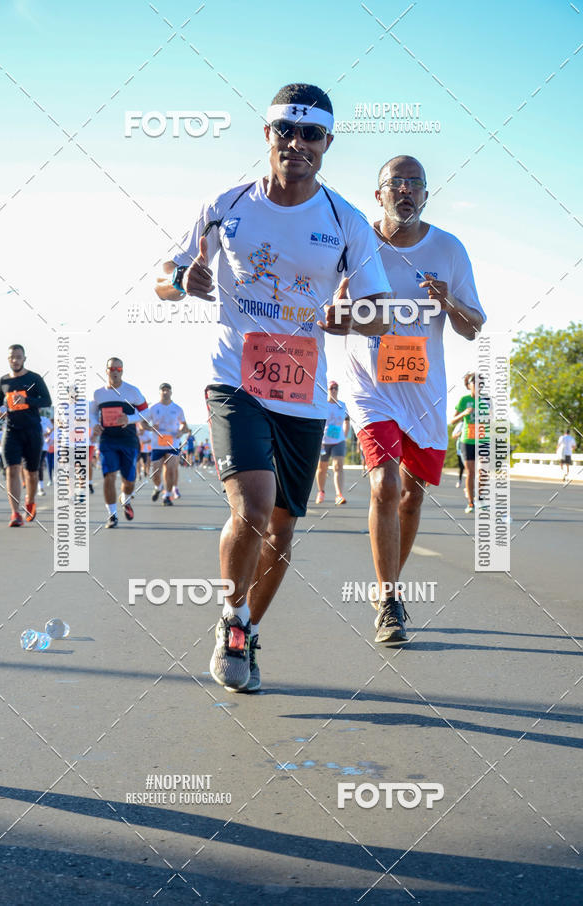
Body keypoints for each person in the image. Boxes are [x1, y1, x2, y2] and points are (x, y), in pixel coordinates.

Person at [156, 82, 390, 692]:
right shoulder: (226, 203)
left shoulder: (345, 220)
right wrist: (182, 279)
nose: (297, 143)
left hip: (302, 391)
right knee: (253, 509)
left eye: (311, 133)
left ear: (327, 143)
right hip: (235, 376)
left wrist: (350, 315)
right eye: (286, 130)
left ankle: (248, 630)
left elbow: (380, 313)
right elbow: (163, 274)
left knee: (282, 528)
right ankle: (231, 619)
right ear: (267, 135)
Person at [345, 155, 485, 644]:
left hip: (423, 392)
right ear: (378, 194)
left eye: (415, 184)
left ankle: (388, 584)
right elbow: (327, 313)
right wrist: (340, 307)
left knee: (411, 495)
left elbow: (473, 326)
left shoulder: (448, 249)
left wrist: (449, 302)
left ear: (425, 194)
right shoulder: (356, 243)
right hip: (371, 388)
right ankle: (389, 601)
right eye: (396, 183)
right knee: (384, 484)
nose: (405, 190)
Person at [0, 344, 52, 526]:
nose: (15, 360)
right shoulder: (4, 381)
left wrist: (27, 400)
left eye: (18, 357)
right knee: (11, 470)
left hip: (32, 431)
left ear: (24, 358)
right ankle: (15, 513)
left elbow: (47, 400)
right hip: (11, 431)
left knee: (32, 473)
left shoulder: (34, 378)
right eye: (12, 357)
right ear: (8, 359)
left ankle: (30, 500)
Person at [90, 357, 148, 528]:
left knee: (129, 481)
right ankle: (112, 515)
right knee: (109, 476)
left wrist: (129, 419)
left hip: (128, 440)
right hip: (108, 440)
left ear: (122, 371)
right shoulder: (98, 393)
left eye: (118, 369)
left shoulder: (132, 391)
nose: (115, 371)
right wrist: (95, 425)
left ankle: (125, 498)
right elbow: (92, 413)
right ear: (106, 371)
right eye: (112, 368)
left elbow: (146, 412)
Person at [451, 372, 488, 512]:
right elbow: (453, 421)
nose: (479, 385)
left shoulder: (487, 400)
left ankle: (480, 498)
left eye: (481, 382)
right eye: (475, 382)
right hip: (467, 440)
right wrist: (464, 413)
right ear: (468, 385)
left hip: (483, 440)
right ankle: (471, 503)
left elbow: (491, 419)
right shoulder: (464, 400)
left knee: (483, 471)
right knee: (471, 472)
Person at [146, 383, 188, 506]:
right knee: (155, 473)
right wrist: (150, 428)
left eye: (167, 390)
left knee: (171, 470)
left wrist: (181, 431)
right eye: (163, 390)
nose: (165, 392)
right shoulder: (153, 408)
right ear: (159, 392)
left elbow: (185, 426)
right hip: (157, 445)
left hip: (173, 444)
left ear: (171, 392)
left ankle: (167, 496)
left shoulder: (177, 408)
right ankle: (158, 487)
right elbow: (142, 423)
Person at [315, 380, 350, 505]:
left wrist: (344, 435)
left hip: (338, 441)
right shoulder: (323, 405)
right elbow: (317, 422)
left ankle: (339, 495)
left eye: (336, 388)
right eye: (331, 388)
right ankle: (321, 492)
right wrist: (318, 440)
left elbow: (347, 421)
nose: (334, 390)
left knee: (338, 466)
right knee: (322, 468)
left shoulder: (342, 405)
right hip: (323, 442)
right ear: (327, 390)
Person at [452, 420, 465, 487]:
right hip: (460, 448)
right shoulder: (460, 424)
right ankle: (459, 481)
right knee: (461, 466)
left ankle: (470, 485)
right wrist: (460, 433)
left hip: (471, 446)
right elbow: (453, 436)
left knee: (471, 467)